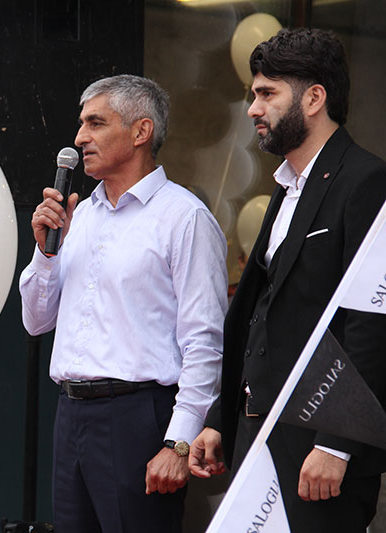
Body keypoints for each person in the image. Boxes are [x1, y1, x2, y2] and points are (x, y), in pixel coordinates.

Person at [189, 28, 386, 532]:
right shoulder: (285, 186)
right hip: (256, 439)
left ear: (314, 98)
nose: (253, 109)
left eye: (266, 93)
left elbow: (372, 322)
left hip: (318, 451)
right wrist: (221, 417)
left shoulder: (367, 181)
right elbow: (263, 314)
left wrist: (336, 444)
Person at [19, 75, 228, 532]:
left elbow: (205, 340)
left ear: (140, 131)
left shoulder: (183, 216)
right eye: (81, 124)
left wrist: (178, 442)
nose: (80, 137)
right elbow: (36, 322)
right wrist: (45, 253)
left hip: (139, 415)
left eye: (96, 123)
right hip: (71, 414)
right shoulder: (80, 216)